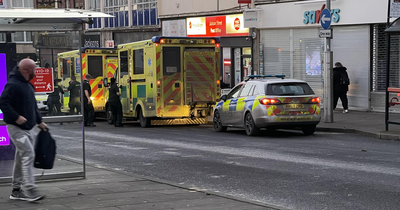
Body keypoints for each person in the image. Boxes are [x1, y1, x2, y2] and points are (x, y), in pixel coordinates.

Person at [0, 58, 47, 201]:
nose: (36, 72)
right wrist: (15, 117)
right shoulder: (13, 84)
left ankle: (16, 190)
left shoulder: (28, 85)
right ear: (28, 70)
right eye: (34, 69)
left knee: (21, 158)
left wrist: (39, 121)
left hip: (28, 128)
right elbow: (3, 102)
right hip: (16, 128)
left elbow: (33, 107)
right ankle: (30, 189)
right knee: (28, 154)